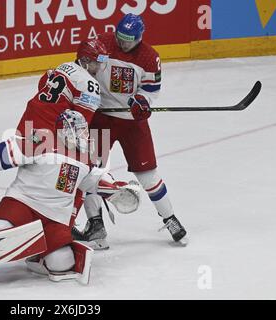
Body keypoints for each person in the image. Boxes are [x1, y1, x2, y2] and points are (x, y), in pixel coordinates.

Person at [0, 109, 140, 284]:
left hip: (55, 218)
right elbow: (1, 155)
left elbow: (94, 180)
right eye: (80, 131)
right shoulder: (41, 140)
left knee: (62, 263)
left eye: (84, 131)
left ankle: (36, 256)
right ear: (65, 130)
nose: (84, 136)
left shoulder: (86, 159)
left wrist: (118, 190)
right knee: (2, 230)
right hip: (23, 202)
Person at [72, 13, 187, 249]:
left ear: (139, 37)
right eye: (120, 38)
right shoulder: (102, 43)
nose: (123, 43)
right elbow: (83, 67)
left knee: (147, 174)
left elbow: (150, 90)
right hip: (101, 116)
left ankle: (170, 218)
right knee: (90, 172)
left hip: (131, 121)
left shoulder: (149, 57)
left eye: (129, 40)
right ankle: (95, 225)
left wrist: (142, 102)